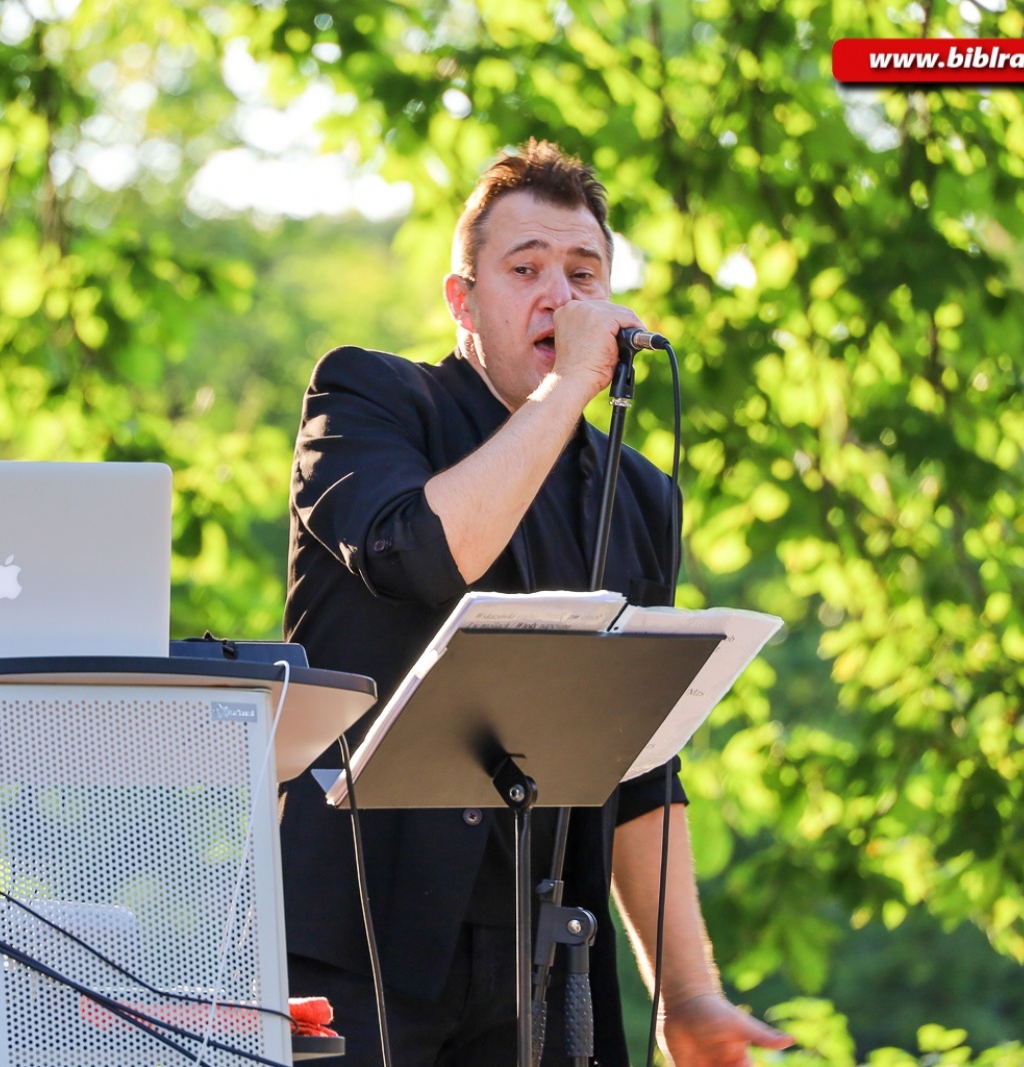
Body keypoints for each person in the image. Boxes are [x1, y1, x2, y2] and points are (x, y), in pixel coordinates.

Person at [280, 140, 791, 1067]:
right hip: (360, 946)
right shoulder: (371, 398)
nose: (558, 294)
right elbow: (427, 554)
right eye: (525, 270)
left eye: (583, 273)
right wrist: (563, 391)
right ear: (463, 300)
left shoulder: (637, 496)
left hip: (545, 964)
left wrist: (688, 994)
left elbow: (640, 764)